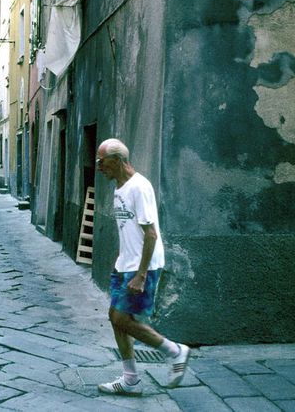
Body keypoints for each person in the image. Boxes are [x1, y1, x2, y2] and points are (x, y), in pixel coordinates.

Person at [95, 138, 189, 396]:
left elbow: (151, 235)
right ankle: (130, 378)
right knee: (117, 320)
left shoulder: (139, 187)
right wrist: (122, 263)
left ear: (117, 160)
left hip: (142, 267)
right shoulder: (119, 188)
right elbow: (129, 232)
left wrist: (141, 274)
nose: (99, 167)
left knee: (121, 318)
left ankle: (174, 351)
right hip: (125, 265)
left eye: (101, 161)